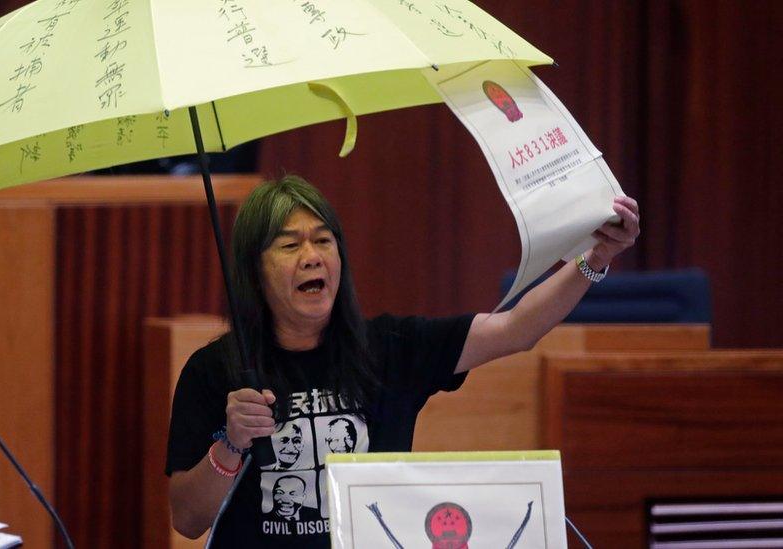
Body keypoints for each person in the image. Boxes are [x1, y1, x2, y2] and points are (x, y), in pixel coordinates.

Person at [165, 175, 639, 547]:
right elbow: (187, 521)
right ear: (253, 270)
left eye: (324, 241)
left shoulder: (389, 347)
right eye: (290, 245)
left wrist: (594, 256)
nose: (312, 257)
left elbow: (516, 330)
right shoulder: (214, 371)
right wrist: (230, 444)